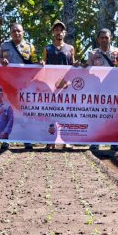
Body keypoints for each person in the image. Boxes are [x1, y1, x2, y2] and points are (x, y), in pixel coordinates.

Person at [0, 23, 38, 149]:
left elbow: (35, 62)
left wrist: (40, 62)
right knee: (8, 113)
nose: (16, 33)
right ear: (10, 33)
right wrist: (1, 61)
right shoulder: (4, 46)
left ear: (23, 32)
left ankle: (26, 140)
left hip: (24, 86)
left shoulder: (30, 47)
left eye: (19, 31)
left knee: (24, 113)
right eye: (14, 31)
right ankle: (6, 140)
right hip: (8, 85)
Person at [86, 28, 118, 151]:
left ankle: (114, 141)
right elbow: (88, 72)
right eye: (101, 37)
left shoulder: (116, 52)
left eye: (106, 37)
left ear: (110, 38)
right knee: (97, 116)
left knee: (114, 115)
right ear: (98, 39)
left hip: (113, 89)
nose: (104, 40)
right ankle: (96, 141)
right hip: (98, 90)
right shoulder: (92, 54)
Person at [42, 20, 76, 149]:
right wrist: (41, 63)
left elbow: (73, 65)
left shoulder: (70, 48)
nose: (59, 32)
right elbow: (43, 63)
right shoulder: (47, 48)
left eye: (61, 30)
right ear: (53, 32)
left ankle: (65, 141)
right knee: (51, 114)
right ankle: (50, 141)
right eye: (56, 30)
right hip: (51, 86)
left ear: (64, 33)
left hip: (65, 87)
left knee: (65, 114)